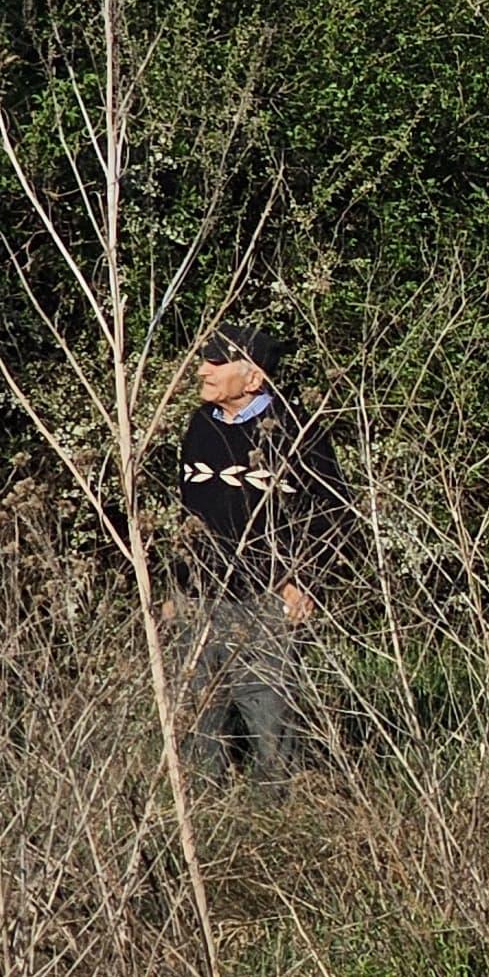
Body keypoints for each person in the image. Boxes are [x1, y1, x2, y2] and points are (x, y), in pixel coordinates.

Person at [172, 323, 353, 781]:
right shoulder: (199, 426)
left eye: (217, 363)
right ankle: (203, 811)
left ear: (253, 377)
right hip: (198, 599)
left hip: (264, 600)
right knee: (197, 724)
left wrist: (303, 583)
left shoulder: (297, 430)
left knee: (271, 725)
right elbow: (188, 512)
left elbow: (334, 514)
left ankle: (279, 813)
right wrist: (174, 585)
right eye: (205, 361)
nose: (203, 371)